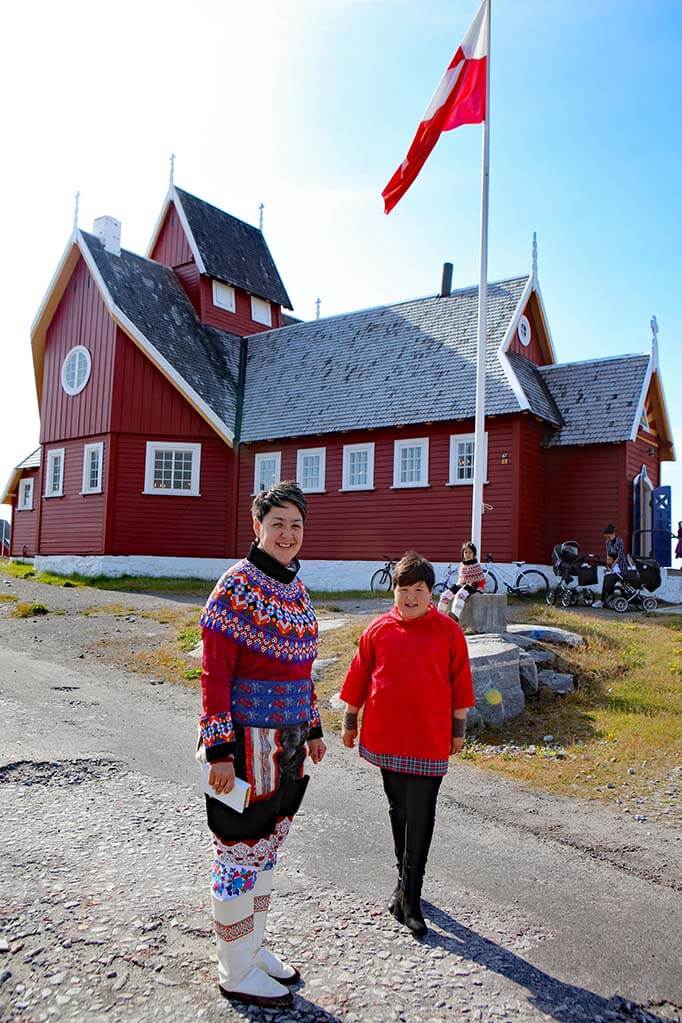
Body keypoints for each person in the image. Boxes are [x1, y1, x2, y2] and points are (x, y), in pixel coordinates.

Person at [198, 481, 326, 1009]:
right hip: (246, 748)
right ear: (258, 527)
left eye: (296, 525)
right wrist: (219, 752)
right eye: (278, 524)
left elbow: (304, 669)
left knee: (267, 850)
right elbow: (213, 676)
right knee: (236, 854)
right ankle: (235, 968)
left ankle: (253, 947)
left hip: (289, 748)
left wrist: (314, 727)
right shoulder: (234, 588)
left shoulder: (297, 590)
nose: (288, 534)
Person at [339, 551, 475, 939]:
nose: (411, 597)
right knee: (398, 808)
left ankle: (412, 900)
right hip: (386, 736)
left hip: (429, 739)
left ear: (431, 594)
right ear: (394, 591)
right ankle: (402, 883)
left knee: (422, 813)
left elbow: (460, 683)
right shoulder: (378, 630)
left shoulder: (448, 632)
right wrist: (350, 721)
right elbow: (358, 676)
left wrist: (458, 728)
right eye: (404, 589)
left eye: (419, 590)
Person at [437, 541, 486, 621]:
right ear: (463, 553)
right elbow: (461, 579)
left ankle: (454, 617)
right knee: (445, 595)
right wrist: (455, 588)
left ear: (474, 553)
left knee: (460, 595)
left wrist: (479, 590)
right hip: (461, 585)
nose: (468, 554)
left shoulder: (476, 566)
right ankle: (439, 617)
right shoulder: (462, 565)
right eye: (466, 552)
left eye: (470, 552)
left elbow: (481, 581)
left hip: (471, 586)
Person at [593, 524, 629, 608]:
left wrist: (614, 563)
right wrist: (608, 565)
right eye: (606, 537)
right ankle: (604, 600)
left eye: (608, 537)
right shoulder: (607, 542)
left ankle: (606, 600)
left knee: (611, 580)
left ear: (613, 534)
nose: (607, 539)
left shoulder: (619, 541)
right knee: (606, 579)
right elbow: (608, 554)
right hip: (612, 565)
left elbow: (620, 554)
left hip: (620, 566)